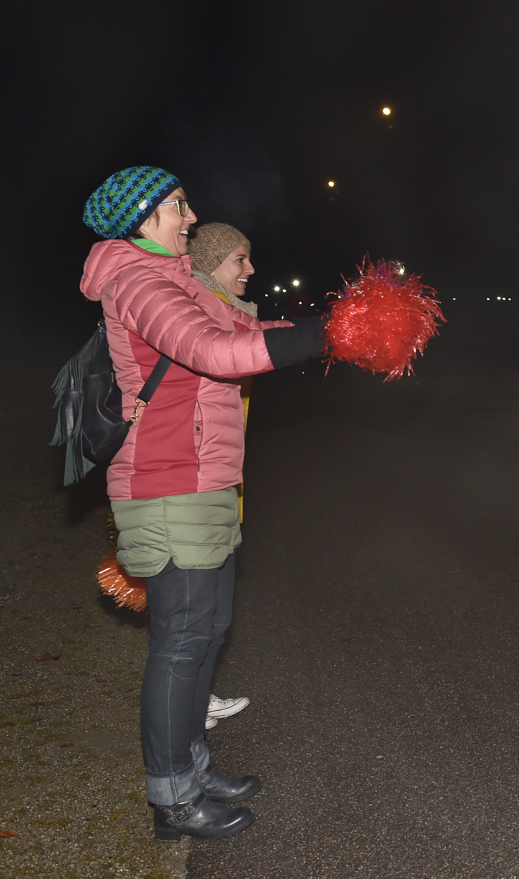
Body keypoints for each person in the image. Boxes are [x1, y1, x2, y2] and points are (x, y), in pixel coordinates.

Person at [81, 166, 325, 839]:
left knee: (206, 633)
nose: (190, 218)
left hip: (205, 479)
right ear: (140, 218)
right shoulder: (138, 281)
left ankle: (192, 766)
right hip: (166, 483)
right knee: (182, 641)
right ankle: (173, 800)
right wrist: (320, 338)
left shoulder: (179, 278)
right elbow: (215, 351)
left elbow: (246, 326)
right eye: (176, 207)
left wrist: (334, 328)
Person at [188, 222, 269, 732]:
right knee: (193, 625)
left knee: (210, 621)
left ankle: (195, 707)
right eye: (240, 259)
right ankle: (184, 732)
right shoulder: (196, 311)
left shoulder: (221, 311)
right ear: (213, 261)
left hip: (216, 472)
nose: (250, 269)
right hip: (189, 479)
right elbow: (236, 349)